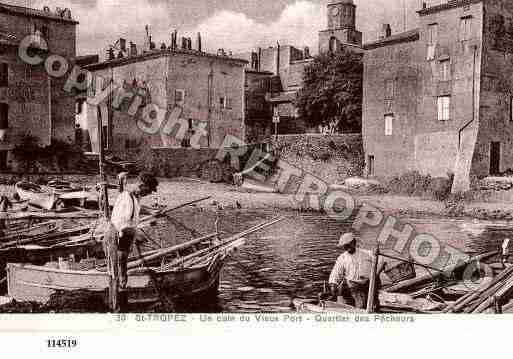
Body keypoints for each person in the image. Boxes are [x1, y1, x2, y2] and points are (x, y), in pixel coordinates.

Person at [105, 171, 159, 290]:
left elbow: (136, 209)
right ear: (142, 185)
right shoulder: (126, 198)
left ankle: (122, 286)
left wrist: (151, 211)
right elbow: (121, 225)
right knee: (117, 266)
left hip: (125, 236)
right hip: (117, 236)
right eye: (149, 190)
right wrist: (137, 233)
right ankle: (117, 293)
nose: (148, 194)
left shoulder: (135, 196)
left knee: (122, 262)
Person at [328, 232, 384, 309]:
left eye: (348, 245)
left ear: (354, 242)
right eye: (345, 246)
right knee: (352, 305)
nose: (347, 248)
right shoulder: (342, 258)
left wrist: (376, 274)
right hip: (352, 285)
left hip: (368, 284)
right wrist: (333, 284)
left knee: (368, 306)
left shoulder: (367, 253)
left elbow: (381, 261)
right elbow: (336, 272)